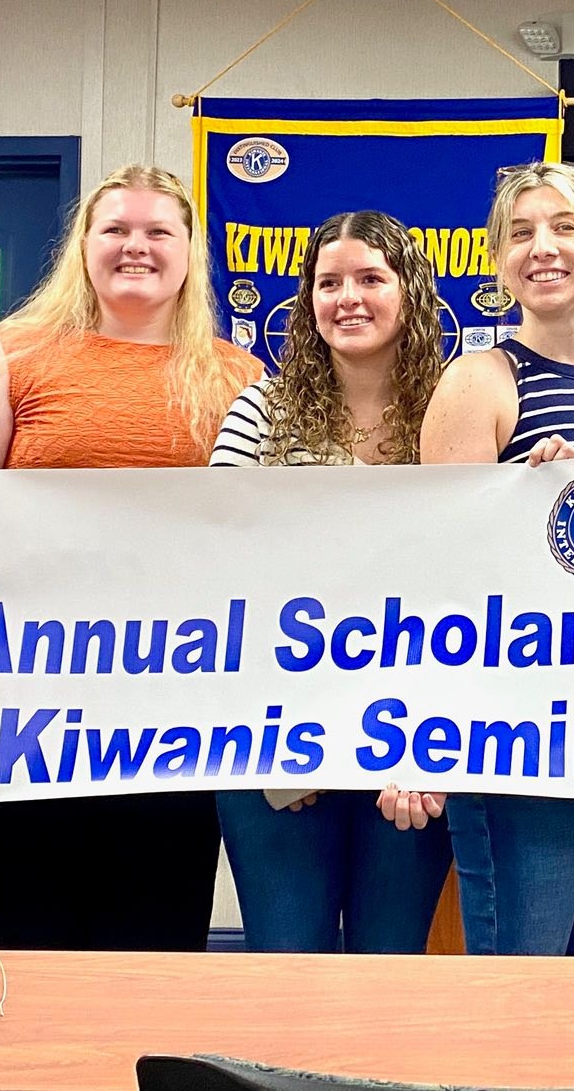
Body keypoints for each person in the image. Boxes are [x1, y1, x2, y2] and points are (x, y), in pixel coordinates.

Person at [0, 164, 260, 950]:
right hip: (23, 714)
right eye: (114, 229)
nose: (134, 247)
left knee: (150, 940)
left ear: (189, 252)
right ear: (83, 246)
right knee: (11, 945)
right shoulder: (16, 354)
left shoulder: (237, 375)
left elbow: (270, 540)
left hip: (174, 717)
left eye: (157, 232)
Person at [377, 161, 574, 955]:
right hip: (520, 741)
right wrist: (421, 731)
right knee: (523, 985)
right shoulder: (479, 383)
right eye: (520, 233)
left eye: (564, 226)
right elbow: (440, 577)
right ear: (499, 260)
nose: (542, 247)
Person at [209, 210, 454, 952]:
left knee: (391, 961)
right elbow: (217, 574)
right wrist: (284, 737)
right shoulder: (262, 411)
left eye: (371, 278)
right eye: (328, 282)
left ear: (409, 292)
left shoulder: (454, 408)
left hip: (413, 741)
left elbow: (478, 586)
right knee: (288, 962)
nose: (348, 297)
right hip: (274, 736)